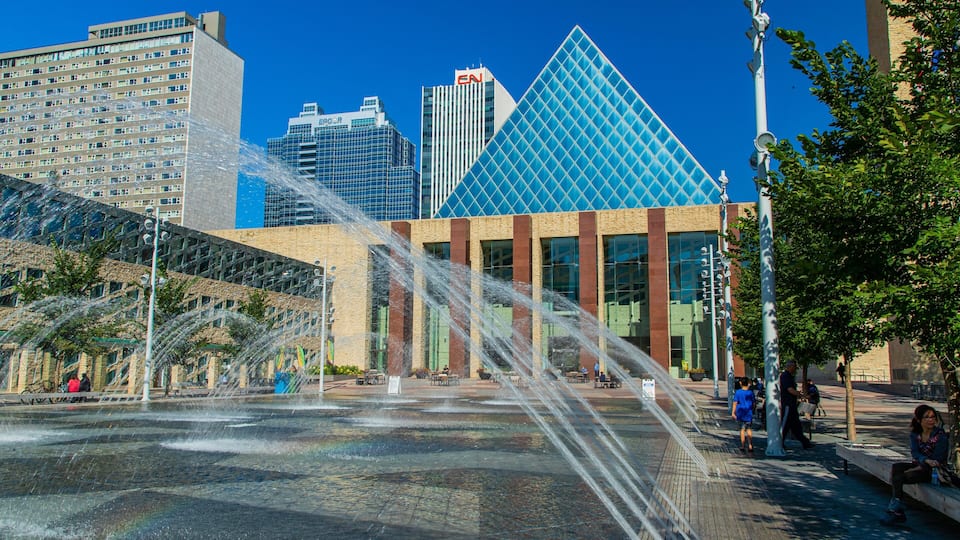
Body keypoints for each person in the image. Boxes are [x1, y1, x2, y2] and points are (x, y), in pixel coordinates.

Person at [882, 404, 949, 525]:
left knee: (899, 477)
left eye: (933, 417)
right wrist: (923, 461)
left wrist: (922, 464)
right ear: (919, 420)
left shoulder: (940, 436)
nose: (931, 420)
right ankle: (898, 509)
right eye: (927, 417)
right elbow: (915, 453)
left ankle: (895, 510)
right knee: (896, 467)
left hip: (934, 472)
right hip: (920, 465)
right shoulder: (915, 434)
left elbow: (937, 460)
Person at [779, 360, 813, 450]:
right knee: (785, 424)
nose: (795, 369)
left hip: (792, 404)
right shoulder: (785, 376)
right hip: (787, 404)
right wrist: (801, 395)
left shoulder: (789, 376)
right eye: (794, 367)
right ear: (789, 367)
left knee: (795, 425)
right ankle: (779, 442)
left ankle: (805, 442)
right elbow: (790, 389)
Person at [731, 377, 755, 453]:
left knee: (742, 429)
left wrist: (733, 412)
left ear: (741, 383)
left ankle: (742, 445)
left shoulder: (738, 392)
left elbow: (735, 403)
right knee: (748, 429)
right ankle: (750, 445)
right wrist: (753, 410)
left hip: (740, 412)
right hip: (748, 412)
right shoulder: (751, 392)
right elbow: (754, 403)